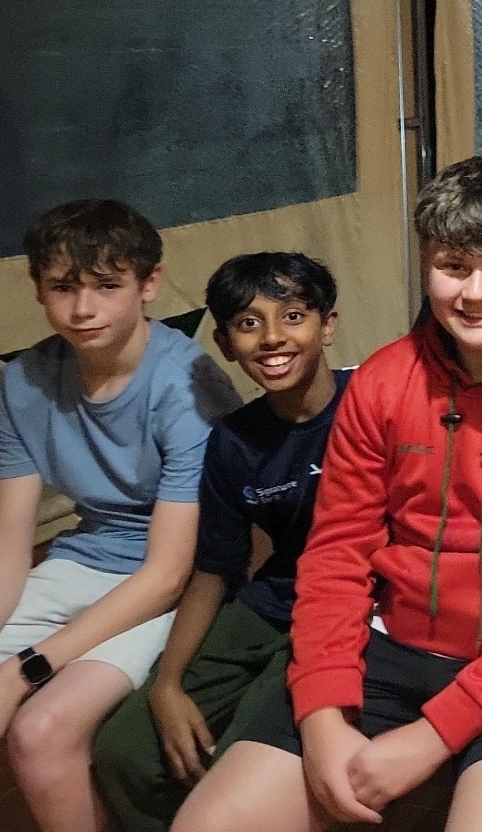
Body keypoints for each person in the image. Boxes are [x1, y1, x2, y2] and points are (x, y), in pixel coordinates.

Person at [173, 157, 482, 832]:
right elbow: (336, 553)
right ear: (426, 266)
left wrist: (432, 735)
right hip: (390, 647)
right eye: (453, 266)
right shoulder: (384, 379)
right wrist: (322, 712)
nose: (476, 293)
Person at [0, 200, 241, 832]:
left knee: (41, 729)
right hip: (88, 557)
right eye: (63, 288)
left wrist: (18, 674)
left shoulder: (186, 383)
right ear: (38, 289)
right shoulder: (27, 379)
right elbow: (7, 544)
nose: (82, 309)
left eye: (107, 286)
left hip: (183, 581)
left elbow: (167, 575)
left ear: (149, 285)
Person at [91, 253, 347, 832]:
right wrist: (167, 682)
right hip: (270, 602)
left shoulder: (370, 402)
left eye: (293, 316)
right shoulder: (235, 440)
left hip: (348, 610)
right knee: (124, 750)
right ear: (227, 345)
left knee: (241, 759)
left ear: (327, 325)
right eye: (248, 323)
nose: (272, 338)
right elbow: (215, 569)